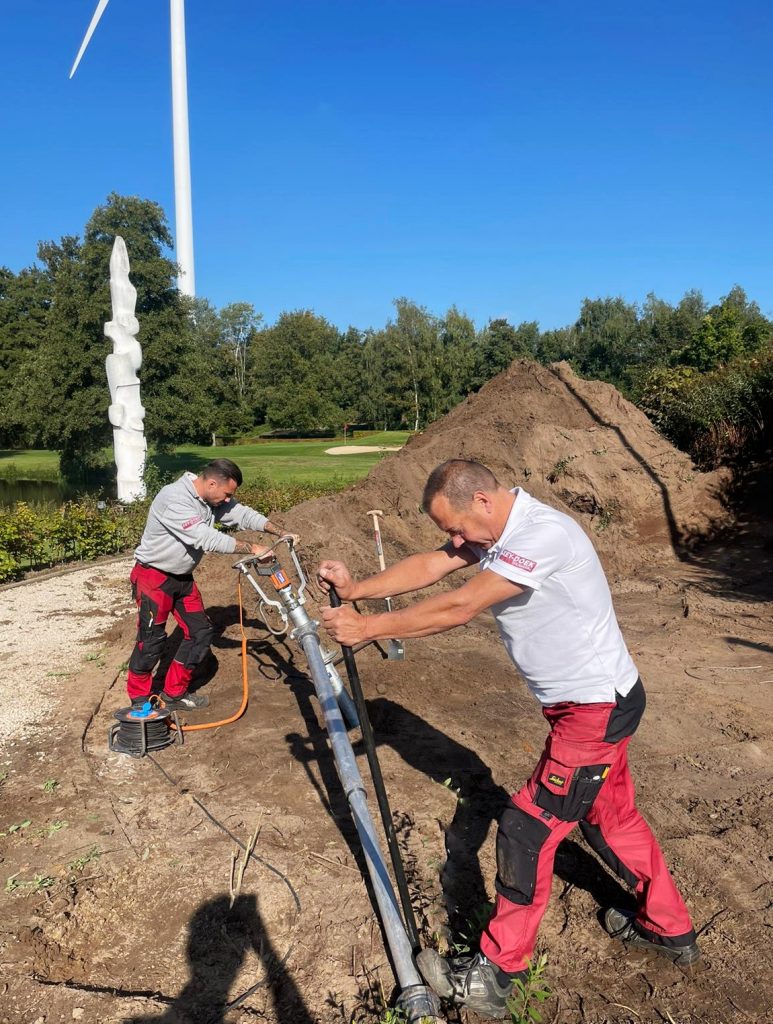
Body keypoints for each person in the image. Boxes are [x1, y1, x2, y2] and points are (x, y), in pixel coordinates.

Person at [318, 459, 699, 1017]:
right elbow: (433, 565)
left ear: (483, 502)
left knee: (525, 830)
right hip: (590, 705)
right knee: (611, 819)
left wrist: (370, 628)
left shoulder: (543, 535)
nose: (454, 540)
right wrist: (359, 590)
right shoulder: (498, 531)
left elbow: (462, 603)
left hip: (593, 709)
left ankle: (498, 972)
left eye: (457, 526)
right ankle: (670, 928)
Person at [127, 458, 296, 711]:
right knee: (151, 641)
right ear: (212, 482)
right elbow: (204, 538)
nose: (228, 500)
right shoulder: (174, 498)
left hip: (182, 579)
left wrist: (279, 531)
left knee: (201, 633)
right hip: (154, 577)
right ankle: (139, 702)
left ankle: (174, 694)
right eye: (227, 494)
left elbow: (242, 514)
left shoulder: (209, 500)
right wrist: (252, 548)